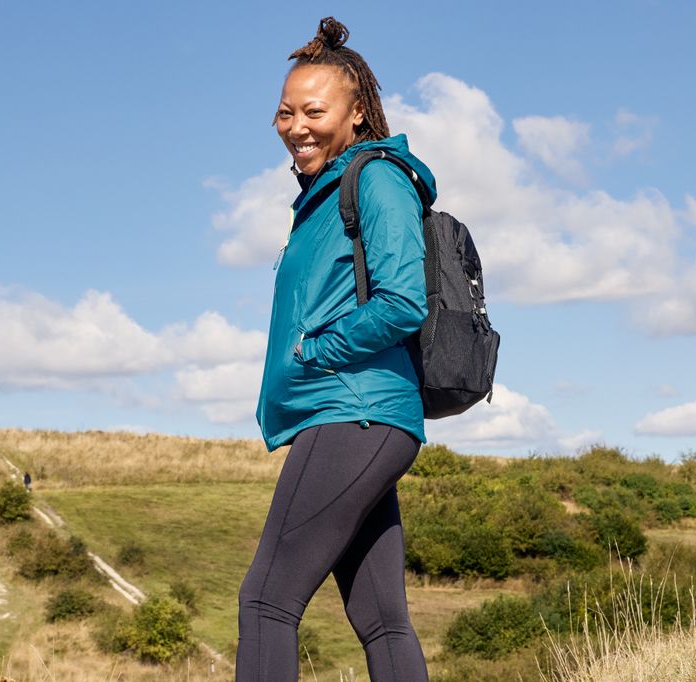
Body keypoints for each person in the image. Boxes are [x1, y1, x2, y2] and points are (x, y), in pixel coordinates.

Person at [237, 17, 434, 682]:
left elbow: (405, 300)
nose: (296, 126)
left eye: (313, 111)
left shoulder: (377, 179)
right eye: (285, 112)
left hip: (352, 412)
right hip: (356, 414)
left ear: (356, 114)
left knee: (266, 601)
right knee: (381, 618)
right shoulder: (320, 199)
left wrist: (318, 350)